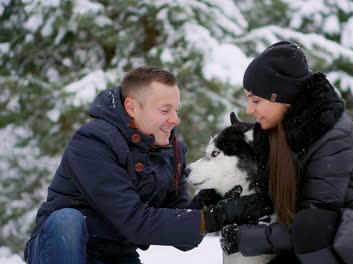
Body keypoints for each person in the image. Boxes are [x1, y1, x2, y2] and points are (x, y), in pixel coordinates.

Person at [24, 65, 273, 264]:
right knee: (67, 221)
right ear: (132, 107)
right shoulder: (93, 142)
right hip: (61, 250)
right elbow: (135, 221)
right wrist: (219, 215)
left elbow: (185, 234)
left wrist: (214, 198)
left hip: (115, 255)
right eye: (165, 110)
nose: (175, 119)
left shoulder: (171, 151)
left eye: (176, 109)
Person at [220, 41, 353, 263]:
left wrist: (244, 238)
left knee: (311, 224)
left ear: (281, 97)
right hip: (343, 241)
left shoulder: (332, 137)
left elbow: (314, 220)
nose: (249, 109)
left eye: (256, 100)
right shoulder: (280, 133)